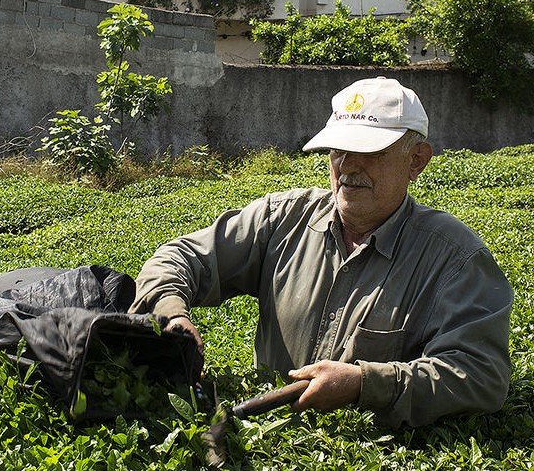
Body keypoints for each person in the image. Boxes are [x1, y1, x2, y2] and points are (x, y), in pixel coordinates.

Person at [131, 77, 513, 427]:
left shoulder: (455, 259)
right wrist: (170, 313)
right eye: (337, 150)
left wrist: (364, 384)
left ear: (416, 160)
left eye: (368, 151)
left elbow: (479, 374)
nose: (347, 165)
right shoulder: (282, 218)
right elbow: (179, 257)